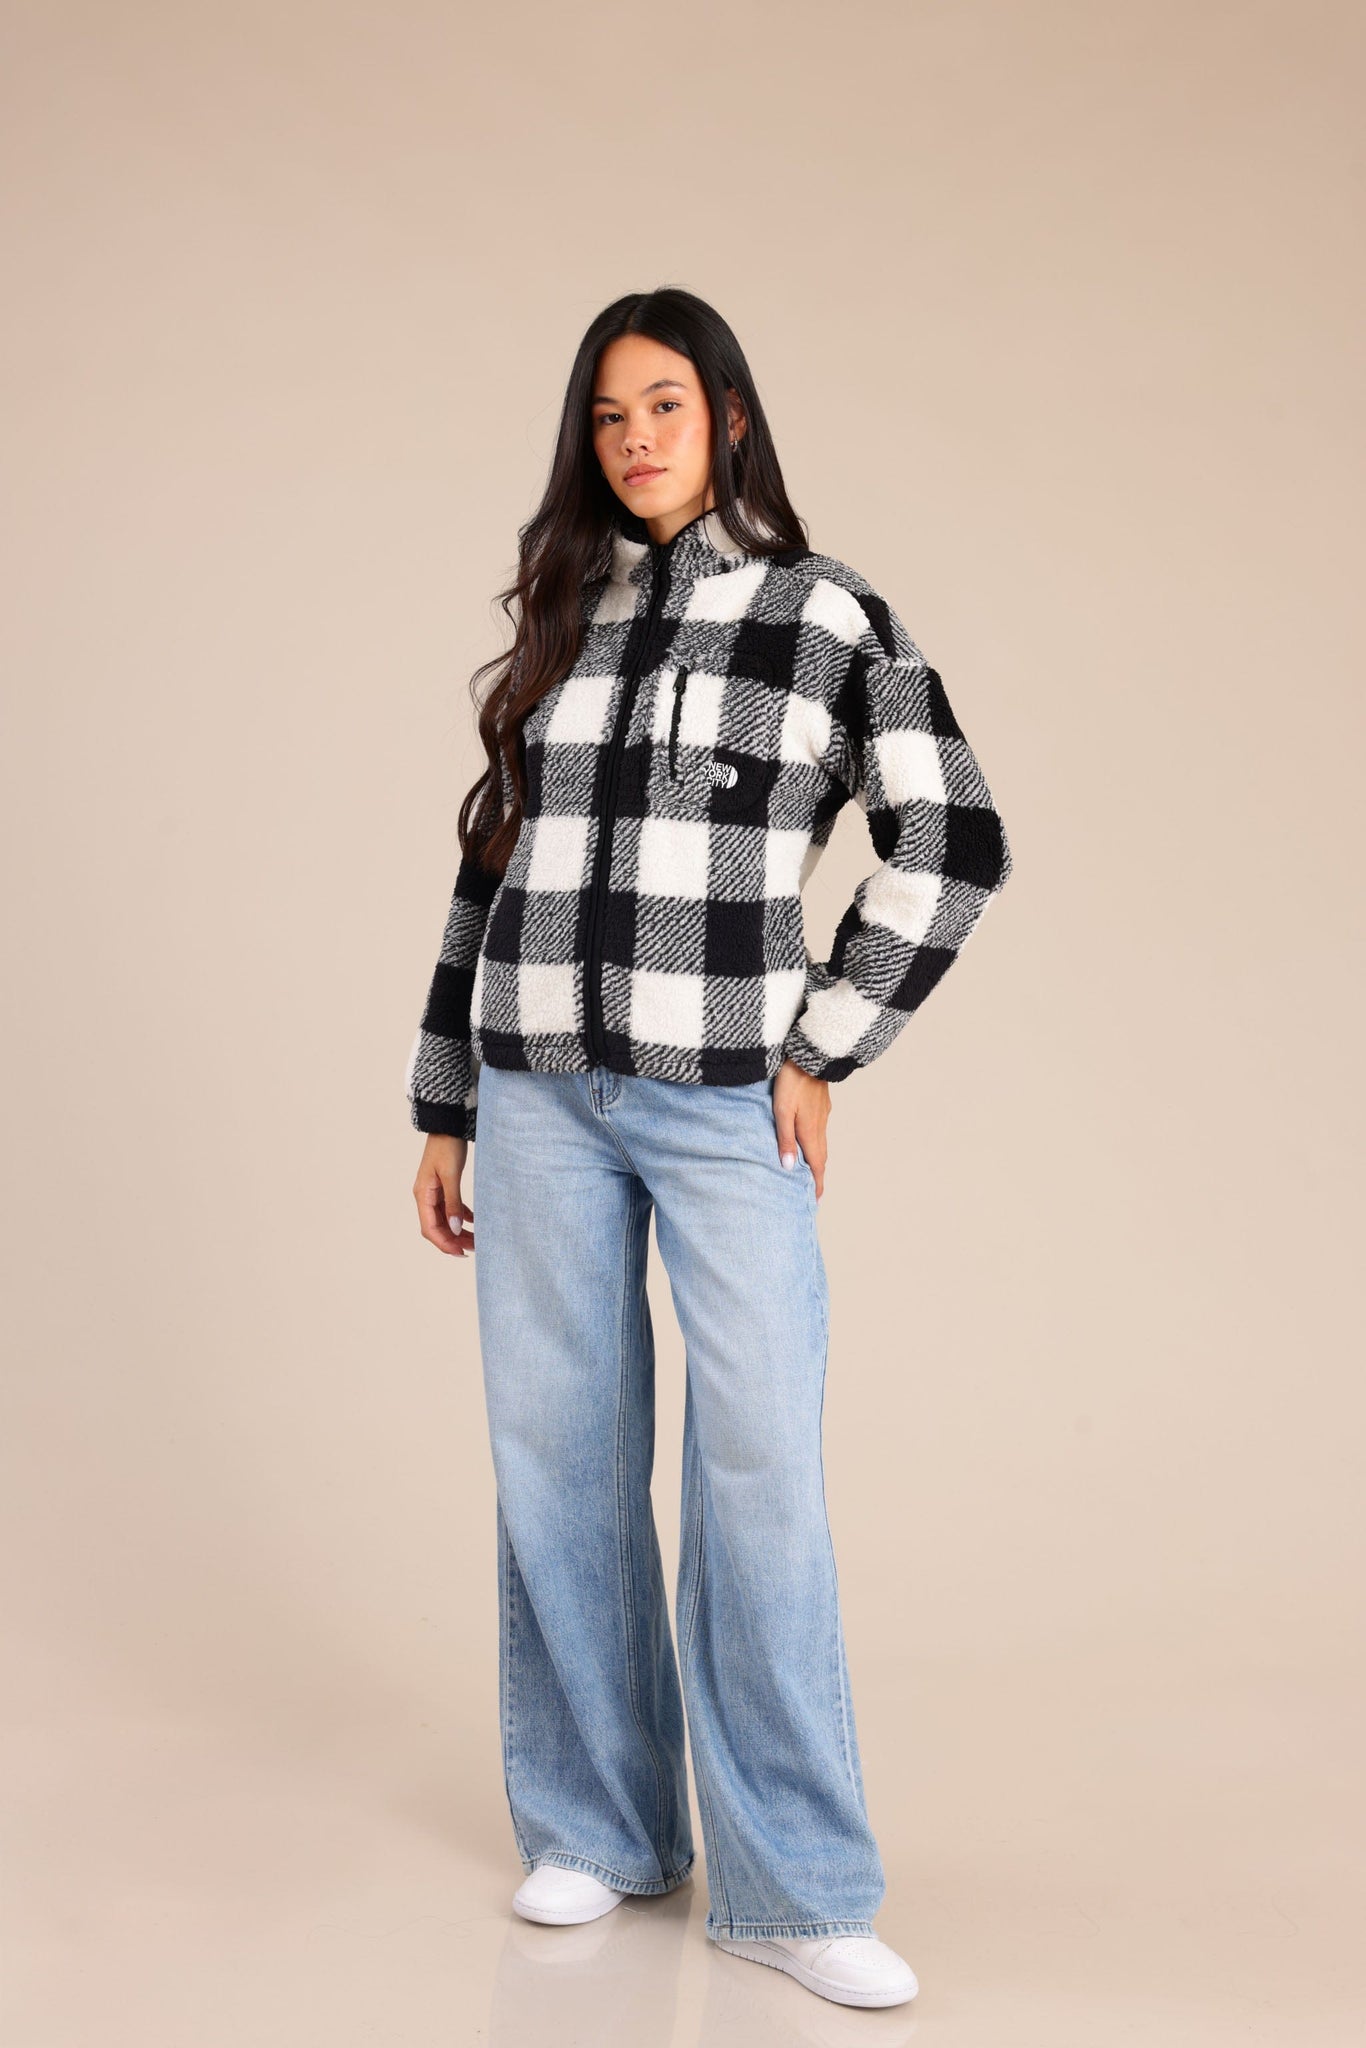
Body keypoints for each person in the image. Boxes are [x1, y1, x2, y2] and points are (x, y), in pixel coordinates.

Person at [406, 287, 1012, 2011]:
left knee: (755, 1476)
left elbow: (953, 839)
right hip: (536, 1090)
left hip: (716, 1097)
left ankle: (793, 1888)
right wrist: (445, 1099)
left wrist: (825, 1044)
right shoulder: (568, 614)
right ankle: (599, 1826)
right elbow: (488, 872)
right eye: (607, 416)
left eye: (664, 405)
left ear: (728, 417)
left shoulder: (824, 615)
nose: (636, 439)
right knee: (558, 1458)